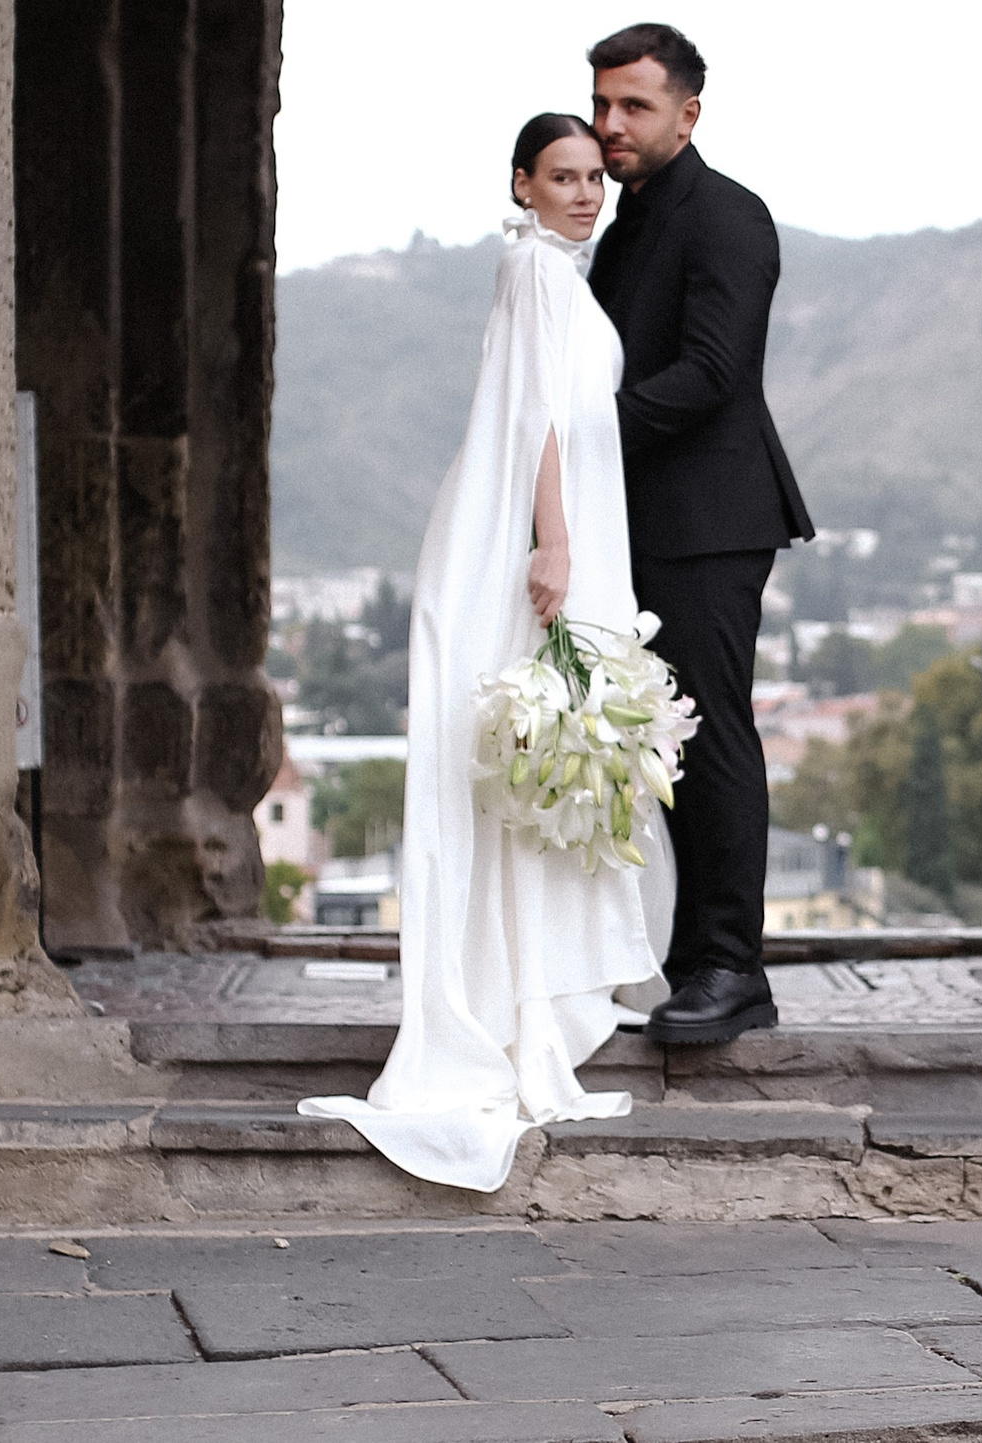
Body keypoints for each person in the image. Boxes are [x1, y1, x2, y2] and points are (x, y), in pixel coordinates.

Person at [298, 115, 665, 1192]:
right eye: (564, 176)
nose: (585, 194)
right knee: (528, 768)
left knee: (534, 777)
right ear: (522, 183)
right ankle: (517, 1017)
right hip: (536, 538)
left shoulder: (552, 272)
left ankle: (522, 1006)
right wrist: (554, 540)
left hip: (551, 534)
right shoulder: (537, 271)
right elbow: (541, 423)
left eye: (596, 177)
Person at [584, 23, 815, 1046]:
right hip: (629, 518)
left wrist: (570, 435)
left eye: (633, 105)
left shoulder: (728, 217)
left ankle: (732, 967)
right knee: (653, 743)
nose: (609, 125)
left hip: (709, 522)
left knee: (710, 731)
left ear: (688, 112)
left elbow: (712, 372)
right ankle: (682, 960)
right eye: (601, 105)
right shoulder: (623, 225)